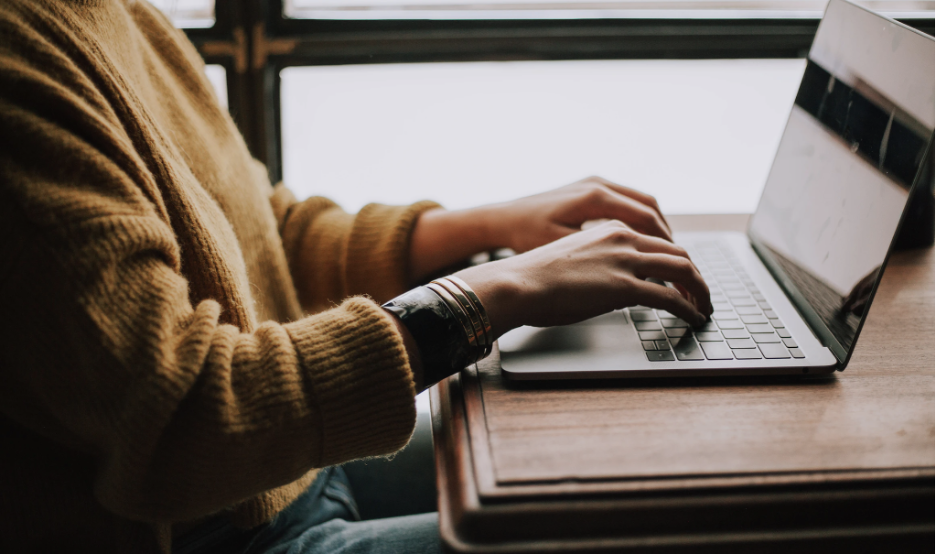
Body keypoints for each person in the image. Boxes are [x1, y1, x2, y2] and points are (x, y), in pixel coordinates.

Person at [0, 1, 712, 553]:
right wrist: (496, 292)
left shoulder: (113, 13)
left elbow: (258, 233)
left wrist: (488, 226)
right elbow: (185, 421)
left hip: (281, 474)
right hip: (209, 532)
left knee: (650, 469)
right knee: (654, 533)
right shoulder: (19, 62)